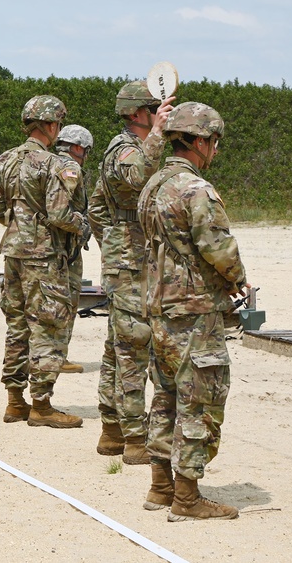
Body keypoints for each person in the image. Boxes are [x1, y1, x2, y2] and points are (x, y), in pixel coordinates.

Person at [137, 101, 248, 521]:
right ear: (200, 141)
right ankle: (186, 498)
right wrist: (238, 276)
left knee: (166, 396)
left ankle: (161, 486)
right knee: (200, 399)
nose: (215, 149)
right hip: (194, 308)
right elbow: (218, 247)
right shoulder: (195, 188)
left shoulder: (154, 185)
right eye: (214, 141)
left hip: (160, 306)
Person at [88, 80, 174, 465]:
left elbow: (94, 206)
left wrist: (110, 240)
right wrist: (157, 136)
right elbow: (138, 177)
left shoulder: (130, 148)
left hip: (128, 257)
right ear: (139, 114)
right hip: (131, 262)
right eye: (155, 111)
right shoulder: (124, 150)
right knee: (135, 348)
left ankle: (111, 429)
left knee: (118, 346)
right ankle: (135, 439)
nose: (160, 116)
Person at [0, 95, 91, 428]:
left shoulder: (5, 159)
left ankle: (14, 402)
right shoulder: (52, 164)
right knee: (47, 326)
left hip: (13, 252)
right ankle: (42, 407)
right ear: (51, 125)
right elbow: (60, 213)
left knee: (17, 326)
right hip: (44, 257)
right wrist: (83, 225)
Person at [53, 125, 94, 374]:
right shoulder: (70, 168)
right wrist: (81, 226)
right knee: (67, 301)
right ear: (78, 147)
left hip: (52, 246)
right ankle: (58, 356)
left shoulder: (46, 163)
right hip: (66, 246)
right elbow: (61, 210)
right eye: (86, 150)